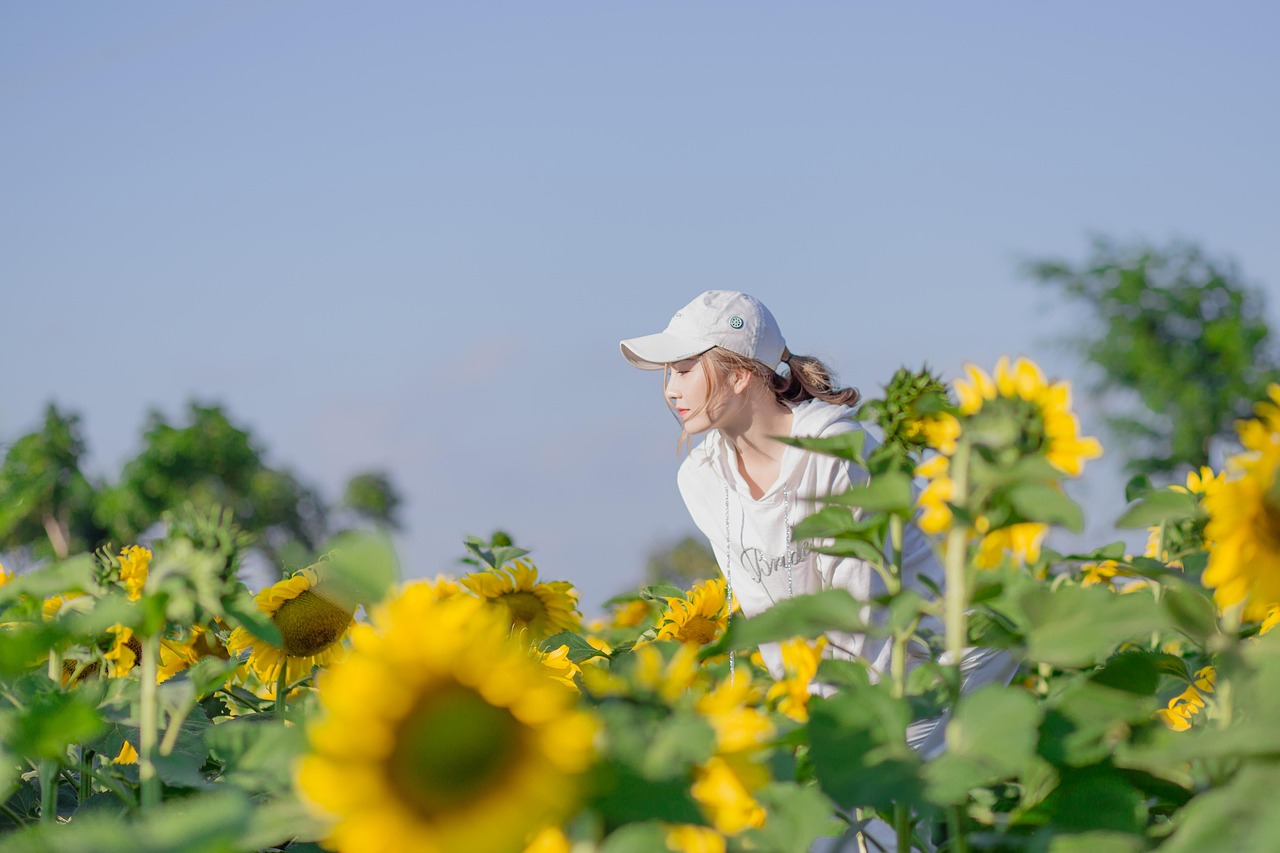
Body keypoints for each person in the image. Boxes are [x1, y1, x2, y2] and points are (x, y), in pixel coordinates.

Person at [621, 291, 1015, 850]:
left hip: (951, 651)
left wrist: (831, 745)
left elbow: (865, 622)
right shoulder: (701, 478)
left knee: (861, 822)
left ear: (740, 375)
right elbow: (762, 611)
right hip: (859, 671)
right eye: (667, 373)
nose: (670, 389)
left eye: (685, 369)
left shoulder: (835, 452)